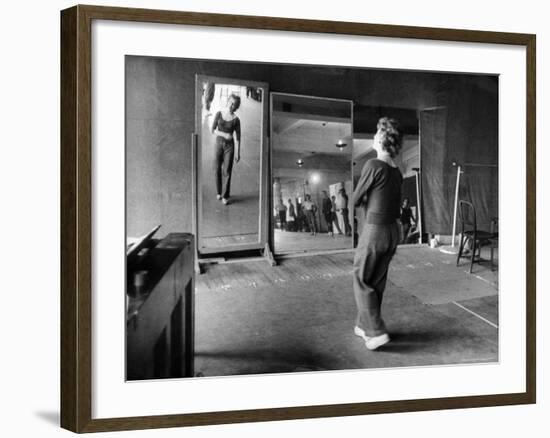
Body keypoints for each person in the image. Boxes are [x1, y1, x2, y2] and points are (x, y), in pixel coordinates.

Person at [352, 117, 403, 351]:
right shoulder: (397, 171)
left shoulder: (373, 165)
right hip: (393, 231)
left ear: (382, 139)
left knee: (361, 279)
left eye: (375, 132)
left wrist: (364, 198)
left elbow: (354, 199)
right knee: (376, 282)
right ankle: (365, 326)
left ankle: (376, 331)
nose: (373, 136)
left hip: (376, 231)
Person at [211, 94, 241, 205]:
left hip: (230, 147)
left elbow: (238, 138)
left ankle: (225, 195)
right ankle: (219, 191)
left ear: (236, 107)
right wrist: (224, 134)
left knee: (227, 171)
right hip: (218, 144)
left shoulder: (236, 120)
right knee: (217, 168)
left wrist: (238, 153)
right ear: (228, 101)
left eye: (235, 105)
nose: (232, 106)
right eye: (231, 102)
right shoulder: (219, 114)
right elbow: (213, 130)